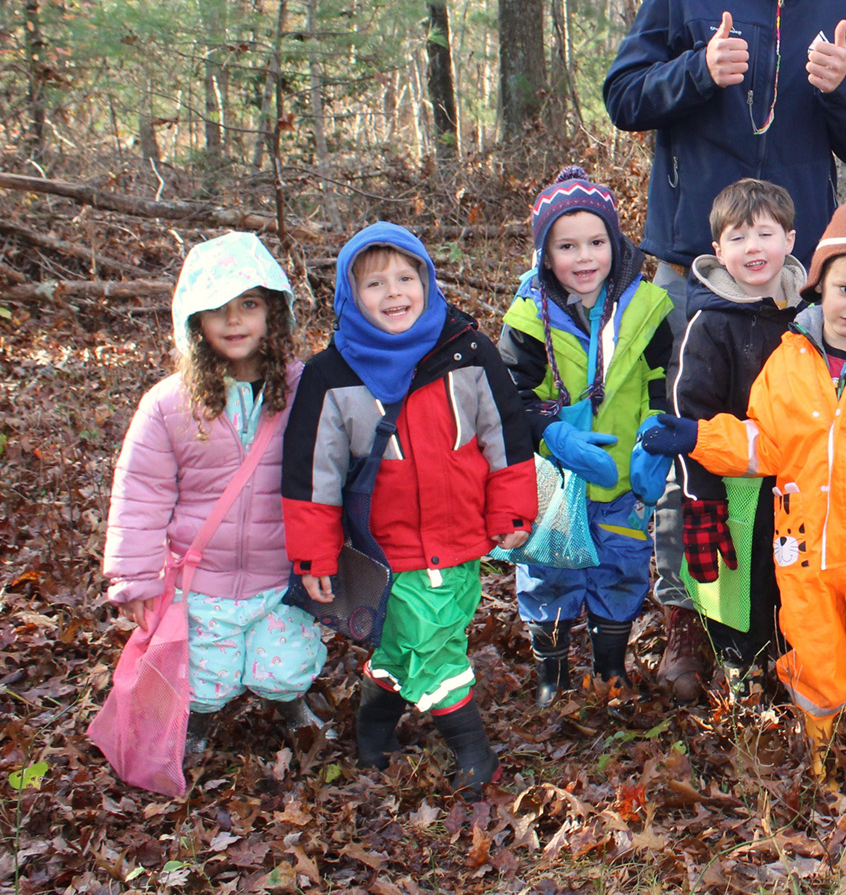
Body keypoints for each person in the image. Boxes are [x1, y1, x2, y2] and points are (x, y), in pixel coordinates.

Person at [602, 0, 846, 693]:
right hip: (691, 267)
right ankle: (685, 626)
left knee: (789, 444)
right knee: (685, 446)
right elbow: (624, 96)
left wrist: (843, 86)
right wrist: (698, 70)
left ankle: (774, 620)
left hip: (793, 281)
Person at [642, 202, 846, 791]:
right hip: (804, 546)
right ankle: (820, 754)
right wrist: (697, 436)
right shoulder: (788, 359)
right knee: (814, 644)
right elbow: (763, 443)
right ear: (819, 282)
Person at [281, 223, 537, 798]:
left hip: (461, 537)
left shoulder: (467, 350)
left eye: (406, 277)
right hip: (385, 549)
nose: (394, 293)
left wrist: (513, 511)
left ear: (427, 279)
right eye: (375, 283)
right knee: (436, 646)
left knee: (410, 644)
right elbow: (311, 475)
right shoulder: (332, 376)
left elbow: (506, 433)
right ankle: (472, 750)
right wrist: (314, 555)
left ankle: (372, 728)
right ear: (350, 294)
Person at [102, 233, 328, 758]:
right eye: (217, 309)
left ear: (274, 311)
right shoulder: (169, 404)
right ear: (194, 322)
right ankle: (196, 720)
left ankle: (292, 706)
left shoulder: (304, 388)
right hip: (202, 582)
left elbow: (337, 465)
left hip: (283, 574)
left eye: (248, 305)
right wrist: (136, 579)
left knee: (286, 662)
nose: (234, 322)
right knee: (207, 672)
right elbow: (141, 492)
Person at [498, 166, 675, 705]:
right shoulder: (530, 317)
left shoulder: (647, 309)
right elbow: (510, 395)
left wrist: (656, 433)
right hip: (554, 481)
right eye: (567, 246)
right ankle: (551, 672)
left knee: (619, 565)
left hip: (624, 475)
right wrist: (552, 434)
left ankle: (609, 667)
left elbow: (663, 378)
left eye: (596, 242)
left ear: (615, 244)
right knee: (548, 569)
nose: (584, 258)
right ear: (545, 256)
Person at [665, 178, 808, 700]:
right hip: (735, 482)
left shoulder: (810, 314)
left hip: (799, 480)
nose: (754, 248)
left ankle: (793, 663)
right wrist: (700, 495)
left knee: (791, 578)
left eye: (765, 234)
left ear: (790, 240)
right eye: (739, 237)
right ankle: (739, 671)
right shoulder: (710, 322)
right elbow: (688, 412)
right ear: (718, 251)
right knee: (737, 586)